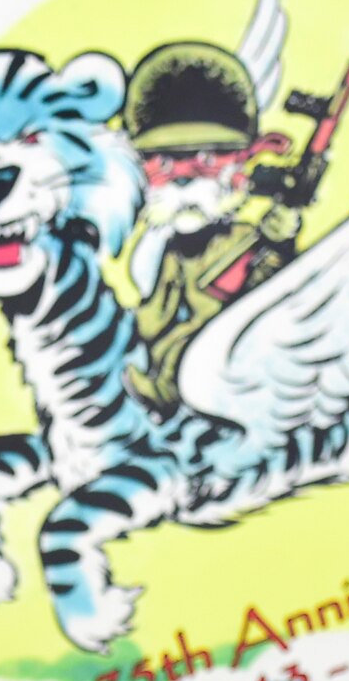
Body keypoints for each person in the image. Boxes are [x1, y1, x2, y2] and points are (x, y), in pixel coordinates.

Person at [123, 41, 302, 417]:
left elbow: (276, 292)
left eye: (205, 160)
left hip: (241, 356)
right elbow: (157, 310)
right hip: (193, 360)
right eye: (167, 165)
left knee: (185, 353)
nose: (185, 182)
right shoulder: (174, 249)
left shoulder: (246, 240)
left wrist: (282, 244)